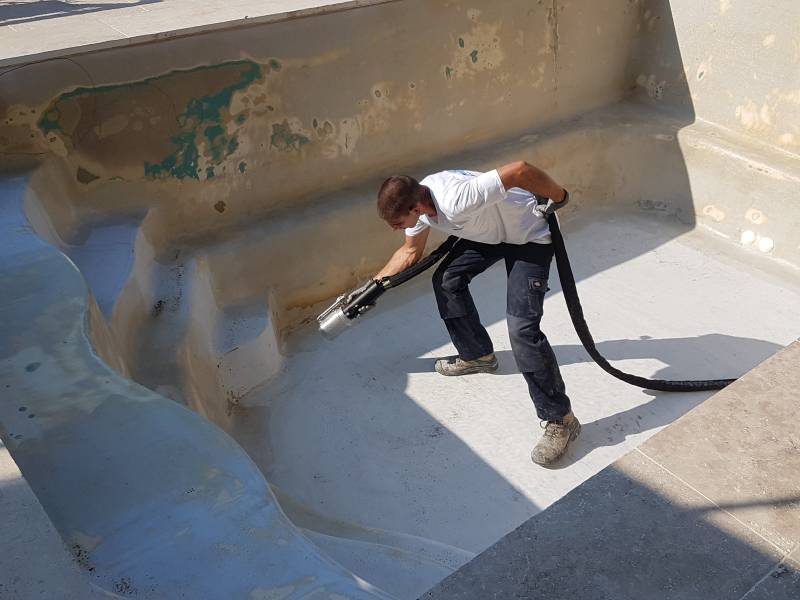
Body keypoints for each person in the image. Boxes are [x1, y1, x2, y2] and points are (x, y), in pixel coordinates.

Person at [373, 162, 579, 466]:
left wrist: (559, 197)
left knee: (522, 330)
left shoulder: (455, 198)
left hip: (530, 236)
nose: (396, 228)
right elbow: (409, 252)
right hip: (492, 236)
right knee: (446, 281)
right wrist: (370, 290)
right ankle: (478, 356)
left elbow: (519, 170)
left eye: (397, 222)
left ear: (415, 207)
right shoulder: (421, 205)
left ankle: (561, 420)